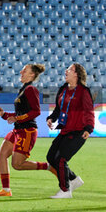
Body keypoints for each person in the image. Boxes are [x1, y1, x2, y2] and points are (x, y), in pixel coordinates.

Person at [0, 64, 50, 197]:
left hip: (27, 131)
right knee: (2, 155)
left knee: (17, 165)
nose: (21, 71)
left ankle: (48, 166)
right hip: (17, 130)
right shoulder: (23, 89)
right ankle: (6, 190)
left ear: (32, 75)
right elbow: (19, 114)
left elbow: (36, 111)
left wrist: (17, 118)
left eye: (25, 70)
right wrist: (4, 114)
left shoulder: (30, 89)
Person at [46, 63, 94, 199]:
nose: (66, 71)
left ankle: (65, 190)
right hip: (65, 130)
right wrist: (51, 118)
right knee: (51, 157)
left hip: (78, 131)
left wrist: (88, 128)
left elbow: (89, 111)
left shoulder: (83, 91)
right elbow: (58, 109)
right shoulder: (63, 89)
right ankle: (73, 180)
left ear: (77, 74)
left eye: (70, 69)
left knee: (61, 159)